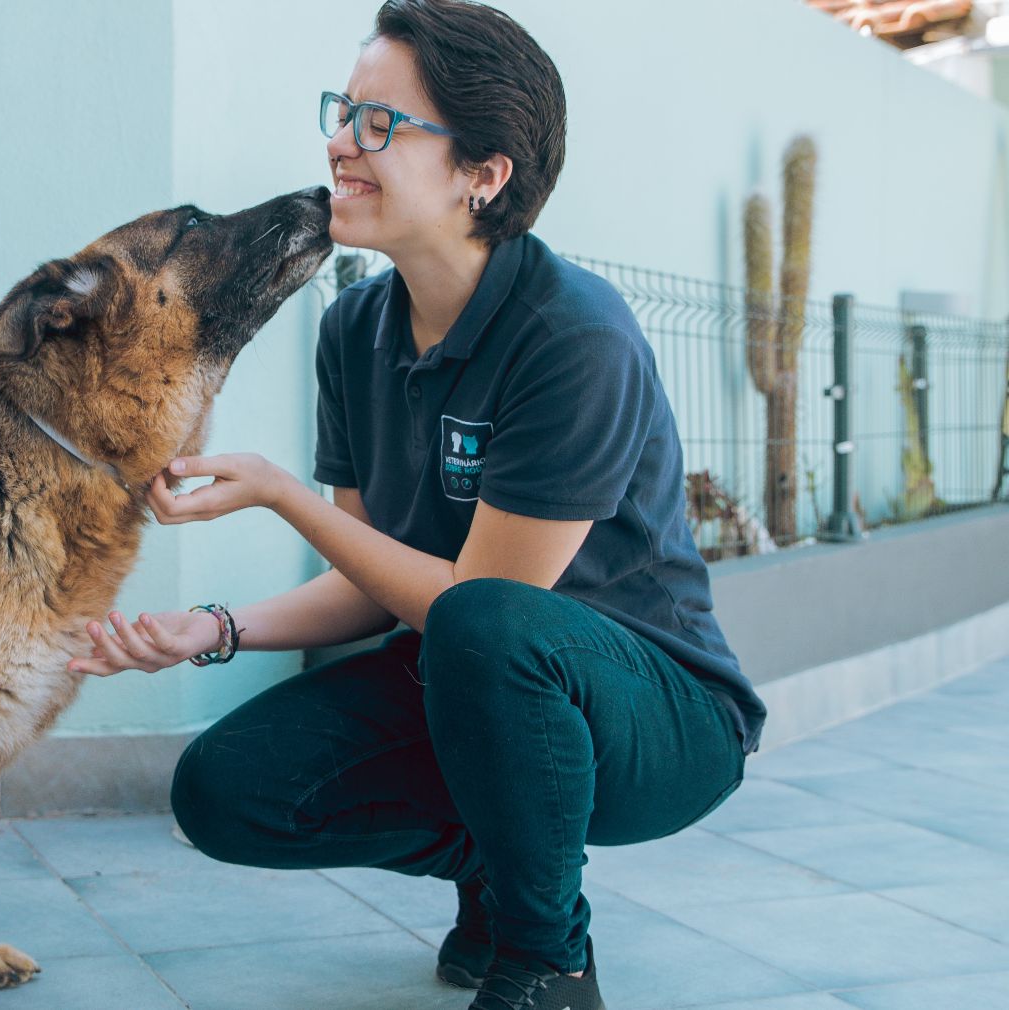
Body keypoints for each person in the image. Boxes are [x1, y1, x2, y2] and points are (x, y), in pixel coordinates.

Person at [65, 2, 765, 1008]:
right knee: (225, 789)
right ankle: (500, 864)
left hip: (657, 713)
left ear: (484, 174)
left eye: (379, 123)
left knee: (484, 625)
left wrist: (276, 493)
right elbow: (370, 583)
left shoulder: (573, 336)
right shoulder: (354, 328)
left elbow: (477, 603)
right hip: (475, 673)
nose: (339, 141)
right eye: (342, 111)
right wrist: (211, 628)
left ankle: (545, 959)